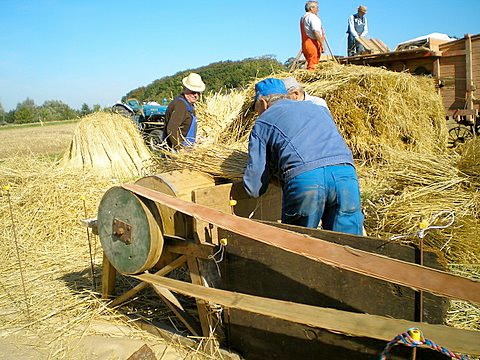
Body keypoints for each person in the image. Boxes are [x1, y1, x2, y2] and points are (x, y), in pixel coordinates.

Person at [243, 78, 364, 235]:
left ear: (263, 103)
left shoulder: (263, 122)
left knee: (300, 245)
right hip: (345, 175)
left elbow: (254, 188)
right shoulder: (317, 108)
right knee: (349, 244)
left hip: (307, 180)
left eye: (255, 108)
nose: (256, 112)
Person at [163, 73, 205, 149]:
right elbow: (171, 129)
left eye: (198, 92)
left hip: (187, 148)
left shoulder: (190, 105)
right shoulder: (180, 105)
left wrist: (195, 139)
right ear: (185, 89)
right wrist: (180, 148)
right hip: (175, 151)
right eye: (193, 92)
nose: (195, 95)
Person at [300, 1, 325, 70]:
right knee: (313, 66)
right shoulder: (312, 17)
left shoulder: (303, 17)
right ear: (311, 8)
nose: (318, 9)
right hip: (312, 44)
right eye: (317, 7)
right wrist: (322, 44)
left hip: (305, 44)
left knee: (310, 63)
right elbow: (316, 32)